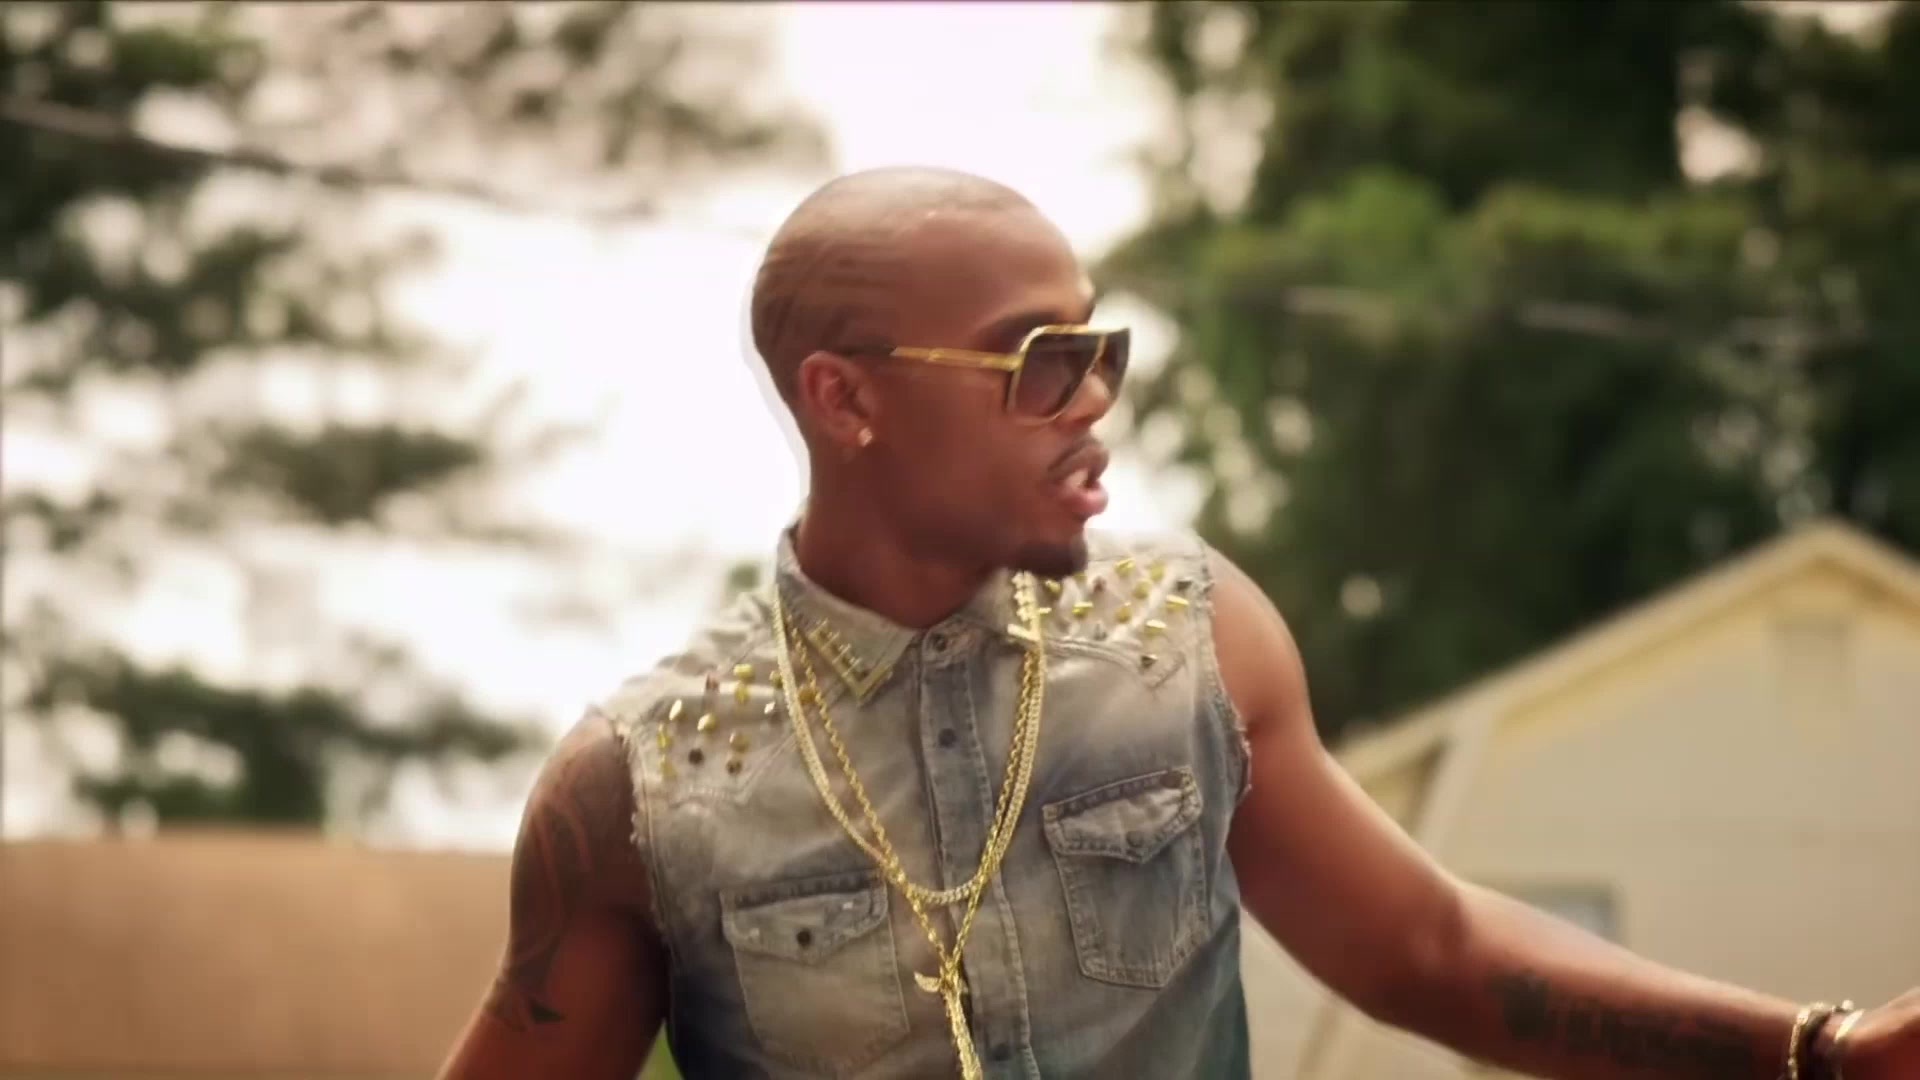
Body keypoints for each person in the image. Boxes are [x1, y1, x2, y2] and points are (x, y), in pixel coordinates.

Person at [438, 167, 1919, 1080]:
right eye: (1039, 359)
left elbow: (1430, 952)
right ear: (845, 398)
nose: (1093, 400)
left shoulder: (1188, 638)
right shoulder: (645, 787)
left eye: (1104, 349)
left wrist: (1821, 1052)